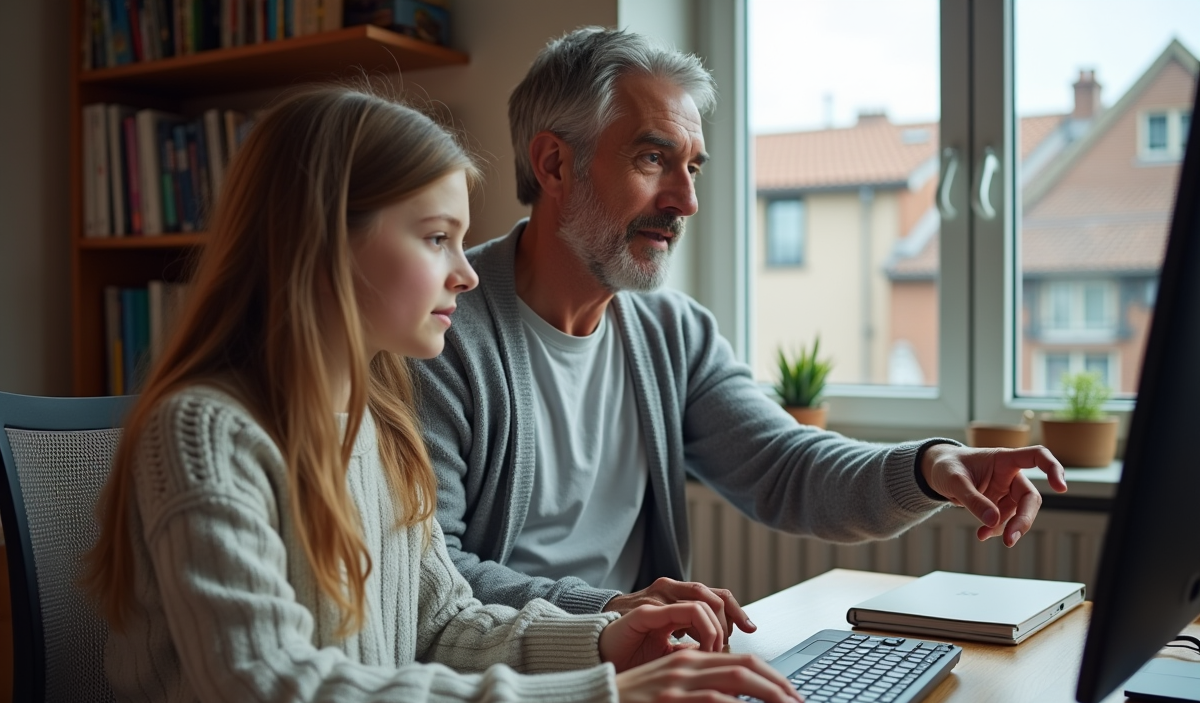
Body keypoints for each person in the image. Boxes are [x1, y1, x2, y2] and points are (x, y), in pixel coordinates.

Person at [82, 84, 803, 703]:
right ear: (325, 240)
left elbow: (445, 624)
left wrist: (606, 641)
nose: (465, 271)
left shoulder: (383, 425)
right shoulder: (206, 433)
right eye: (436, 238)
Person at [412, 27, 1068, 636]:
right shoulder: (438, 335)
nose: (685, 201)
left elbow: (787, 468)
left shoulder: (675, 334)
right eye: (653, 158)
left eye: (692, 167)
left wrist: (928, 466)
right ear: (554, 165)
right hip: (512, 677)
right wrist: (613, 611)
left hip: (640, 673)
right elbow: (434, 579)